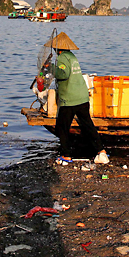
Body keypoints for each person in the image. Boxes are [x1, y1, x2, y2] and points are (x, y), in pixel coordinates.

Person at [44, 32, 109, 165]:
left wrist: (51, 68)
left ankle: (66, 155)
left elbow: (63, 74)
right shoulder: (72, 57)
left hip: (69, 99)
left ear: (58, 49)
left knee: (62, 127)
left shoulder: (62, 58)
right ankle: (101, 152)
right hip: (82, 97)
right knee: (88, 125)